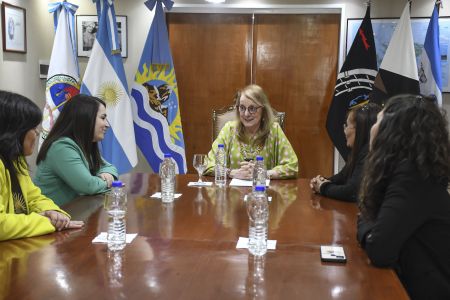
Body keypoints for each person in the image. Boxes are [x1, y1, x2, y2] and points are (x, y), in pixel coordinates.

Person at [357, 94, 450, 298]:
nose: (372, 127)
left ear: (393, 132)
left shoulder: (412, 177)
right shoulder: (414, 171)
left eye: (378, 121)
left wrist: (365, 225)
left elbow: (379, 250)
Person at [0, 90, 84, 241]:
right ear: (14, 131)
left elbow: (34, 198)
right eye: (33, 128)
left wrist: (52, 211)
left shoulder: (15, 161)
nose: (37, 133)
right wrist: (47, 222)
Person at [35, 94, 118, 206]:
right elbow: (88, 186)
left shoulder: (82, 144)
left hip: (73, 214)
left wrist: (107, 173)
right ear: (85, 118)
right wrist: (107, 182)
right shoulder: (61, 147)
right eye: (103, 118)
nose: (107, 124)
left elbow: (109, 167)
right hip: (51, 219)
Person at [204, 84, 298, 179]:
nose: (246, 114)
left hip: (264, 191)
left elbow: (292, 167)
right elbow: (208, 165)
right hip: (232, 191)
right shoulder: (229, 129)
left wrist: (263, 173)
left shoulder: (274, 130)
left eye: (252, 108)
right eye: (242, 108)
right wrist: (231, 173)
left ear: (263, 110)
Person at [310, 99, 380, 202]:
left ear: (360, 130)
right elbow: (342, 177)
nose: (344, 130)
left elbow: (351, 192)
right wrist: (321, 181)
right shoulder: (361, 152)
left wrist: (323, 187)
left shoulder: (369, 153)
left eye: (346, 126)